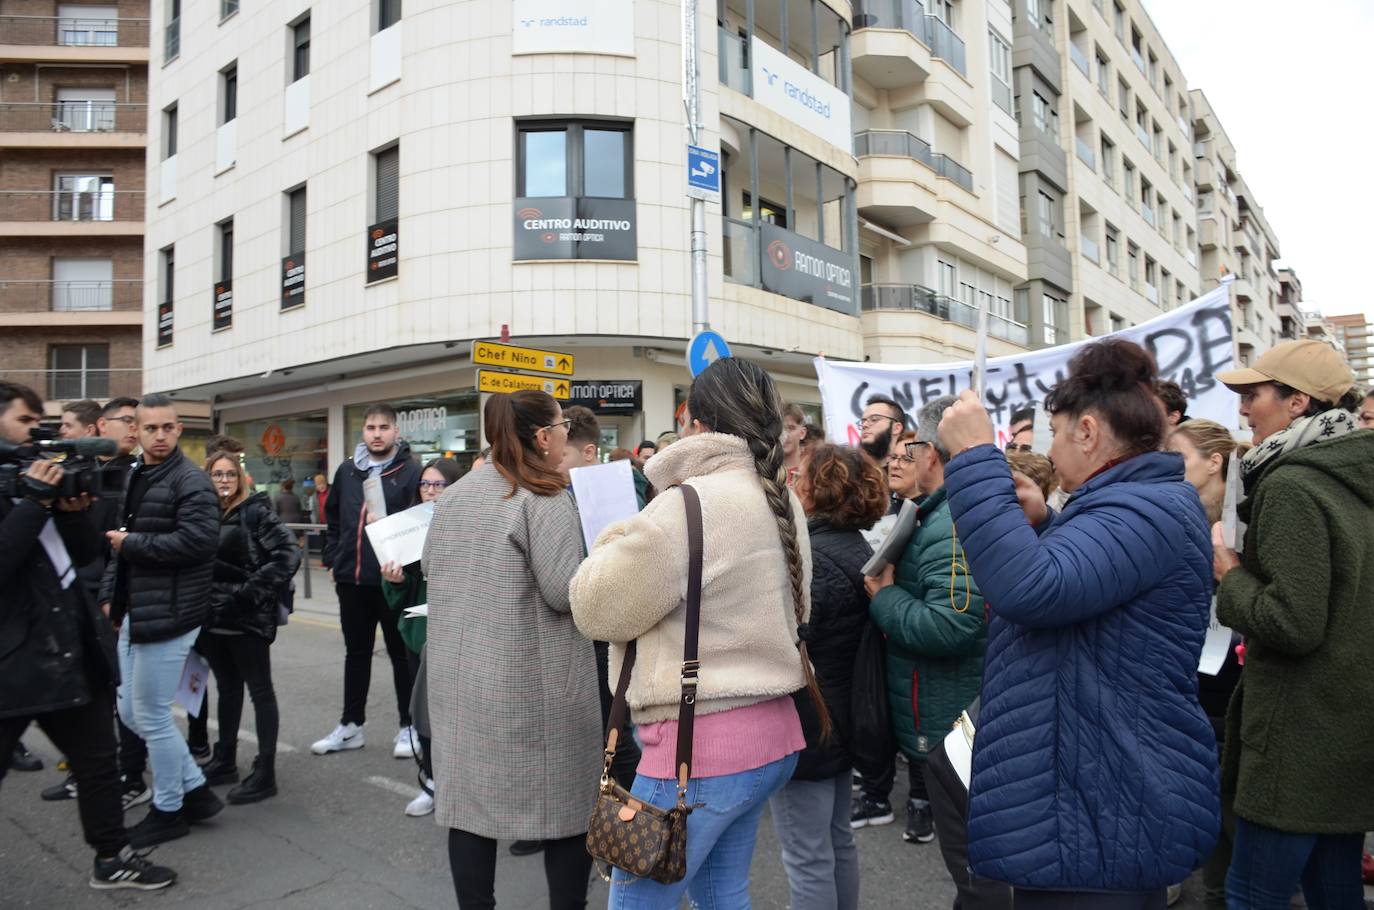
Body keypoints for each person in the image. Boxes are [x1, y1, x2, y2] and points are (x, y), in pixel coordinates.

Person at [936, 339, 1220, 908]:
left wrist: (971, 459)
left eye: (1058, 432)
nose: (1053, 448)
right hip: (1094, 791)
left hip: (1101, 806)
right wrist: (1044, 524)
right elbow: (1088, 593)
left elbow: (1031, 588)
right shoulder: (1135, 503)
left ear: (1088, 432)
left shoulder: (1146, 509)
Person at [571, 357, 821, 908]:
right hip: (773, 737)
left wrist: (613, 535)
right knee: (722, 893)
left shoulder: (684, 506)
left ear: (695, 424)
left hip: (698, 750)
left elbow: (595, 608)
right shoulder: (782, 499)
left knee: (636, 904)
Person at [1211, 340, 1374, 908]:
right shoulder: (1355, 473)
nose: (1244, 409)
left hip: (1296, 739)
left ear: (1297, 402)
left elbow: (1292, 622)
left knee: (1253, 894)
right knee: (1335, 891)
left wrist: (1229, 575)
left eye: (1253, 394)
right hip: (1347, 729)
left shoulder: (1291, 485)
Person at [423, 391, 601, 910]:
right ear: (543, 437)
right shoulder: (542, 498)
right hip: (535, 686)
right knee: (566, 812)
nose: (567, 433)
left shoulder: (454, 496)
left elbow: (431, 567)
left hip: (464, 684)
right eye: (562, 425)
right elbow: (563, 589)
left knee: (470, 813)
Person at [0, 382, 177, 890]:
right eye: (26, 422)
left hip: (65, 649)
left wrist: (72, 511)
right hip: (12, 662)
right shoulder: (22, 485)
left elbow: (77, 554)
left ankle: (112, 857)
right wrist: (32, 501)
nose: (39, 433)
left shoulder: (36, 477)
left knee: (99, 762)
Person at [99, 394, 224, 848]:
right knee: (132, 711)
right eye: (149, 428)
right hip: (137, 609)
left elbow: (198, 543)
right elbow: (120, 543)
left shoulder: (191, 482)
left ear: (178, 429)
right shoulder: (140, 473)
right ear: (137, 429)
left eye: (166, 428)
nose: (158, 436)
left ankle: (169, 809)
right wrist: (110, 595)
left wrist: (131, 545)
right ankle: (196, 790)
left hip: (170, 614)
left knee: (148, 714)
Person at [769, 443, 889, 910]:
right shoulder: (859, 547)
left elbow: (791, 639)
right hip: (843, 716)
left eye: (801, 479)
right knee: (836, 842)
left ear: (819, 490)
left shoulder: (813, 558)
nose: (795, 486)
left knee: (806, 855)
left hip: (810, 721)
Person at [865, 396, 986, 847]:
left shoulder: (949, 522)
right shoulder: (935, 514)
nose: (906, 457)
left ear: (932, 454)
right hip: (936, 701)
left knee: (972, 857)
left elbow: (951, 626)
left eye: (912, 448)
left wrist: (886, 597)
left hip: (945, 707)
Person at [1164, 419, 1242, 904]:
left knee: (1234, 813)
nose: (1172, 467)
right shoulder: (1172, 515)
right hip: (1185, 675)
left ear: (1215, 463)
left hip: (1232, 684)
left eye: (1181, 457)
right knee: (1202, 806)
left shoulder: (1245, 524)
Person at [313, 403, 421, 758]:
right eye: (371, 427)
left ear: (396, 432)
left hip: (392, 581)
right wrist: (332, 559)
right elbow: (332, 519)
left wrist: (406, 571)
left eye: (383, 427)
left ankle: (409, 727)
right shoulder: (347, 471)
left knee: (400, 655)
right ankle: (350, 726)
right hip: (351, 579)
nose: (377, 433)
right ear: (364, 432)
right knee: (355, 653)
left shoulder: (410, 471)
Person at [198, 451, 300, 804]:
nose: (224, 480)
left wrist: (246, 594)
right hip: (212, 620)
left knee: (260, 691)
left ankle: (265, 771)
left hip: (247, 619)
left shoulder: (256, 511)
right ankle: (225, 759)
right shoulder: (202, 513)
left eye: (230, 474)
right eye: (216, 474)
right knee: (227, 688)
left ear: (240, 478)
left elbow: (288, 555)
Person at [379, 456, 462, 818]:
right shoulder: (409, 527)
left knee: (458, 717)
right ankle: (430, 782)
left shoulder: (465, 524)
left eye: (438, 485)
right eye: (425, 485)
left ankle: (462, 784)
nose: (430, 491)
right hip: (419, 634)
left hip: (459, 634)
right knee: (424, 715)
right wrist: (395, 580)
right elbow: (398, 597)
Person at [850, 430, 920, 829]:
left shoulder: (929, 517)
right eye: (891, 458)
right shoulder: (889, 509)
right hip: (884, 628)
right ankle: (881, 794)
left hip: (904, 629)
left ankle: (920, 800)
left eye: (904, 459)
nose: (893, 464)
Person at [857, 394, 907, 463]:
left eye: (874, 419)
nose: (864, 425)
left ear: (896, 428)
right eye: (863, 421)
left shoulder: (913, 470)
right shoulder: (851, 469)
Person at [782, 402, 807, 485]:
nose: (785, 434)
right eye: (780, 429)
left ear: (802, 433)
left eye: (791, 428)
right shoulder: (766, 472)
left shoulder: (812, 471)